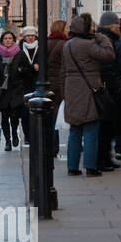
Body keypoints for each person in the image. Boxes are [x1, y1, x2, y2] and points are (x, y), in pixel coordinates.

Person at [61, 14, 116, 177]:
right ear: (84, 28)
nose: (93, 28)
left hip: (71, 88)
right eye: (91, 26)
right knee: (91, 128)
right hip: (89, 88)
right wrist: (102, 36)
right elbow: (108, 55)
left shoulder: (67, 45)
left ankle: (72, 167)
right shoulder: (88, 44)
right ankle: (91, 167)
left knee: (75, 129)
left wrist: (64, 91)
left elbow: (62, 71)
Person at [0, 30, 35, 151]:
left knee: (14, 116)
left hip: (17, 89)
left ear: (14, 40)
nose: (8, 40)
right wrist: (1, 66)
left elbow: (29, 70)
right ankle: (7, 141)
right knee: (4, 117)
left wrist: (20, 70)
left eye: (10, 38)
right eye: (5, 39)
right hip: (3, 90)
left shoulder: (20, 54)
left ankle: (14, 134)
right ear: (2, 41)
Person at [95, 12, 121, 169]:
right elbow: (108, 67)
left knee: (107, 127)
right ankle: (103, 160)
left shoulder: (106, 39)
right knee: (106, 126)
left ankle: (105, 157)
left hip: (107, 88)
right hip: (109, 89)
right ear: (111, 25)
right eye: (117, 24)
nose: (119, 27)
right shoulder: (108, 41)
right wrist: (116, 87)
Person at [46, 20, 69, 156]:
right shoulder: (64, 45)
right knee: (55, 114)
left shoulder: (45, 43)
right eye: (66, 27)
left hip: (45, 83)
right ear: (61, 29)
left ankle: (49, 146)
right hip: (58, 83)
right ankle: (54, 147)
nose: (68, 30)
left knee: (47, 115)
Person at [16, 25, 40, 144]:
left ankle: (36, 134)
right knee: (25, 113)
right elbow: (18, 68)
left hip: (38, 84)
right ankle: (27, 135)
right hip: (23, 85)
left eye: (32, 36)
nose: (30, 38)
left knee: (37, 112)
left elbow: (41, 67)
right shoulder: (19, 49)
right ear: (24, 38)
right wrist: (32, 68)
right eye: (28, 36)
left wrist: (26, 69)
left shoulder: (41, 48)